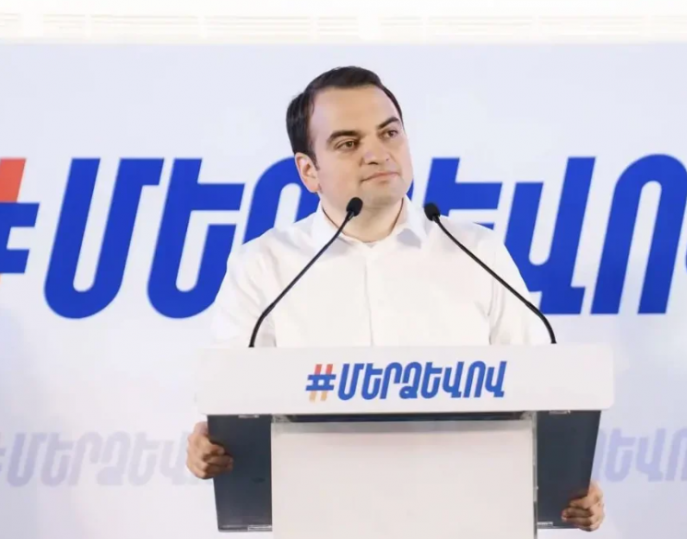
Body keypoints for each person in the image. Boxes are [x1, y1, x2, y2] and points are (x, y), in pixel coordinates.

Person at [186, 66, 606, 532]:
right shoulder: (265, 267)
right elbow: (233, 403)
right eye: (348, 143)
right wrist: (209, 445)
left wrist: (568, 484)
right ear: (308, 171)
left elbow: (545, 393)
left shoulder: (476, 252)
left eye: (389, 133)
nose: (377, 153)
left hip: (467, 520)